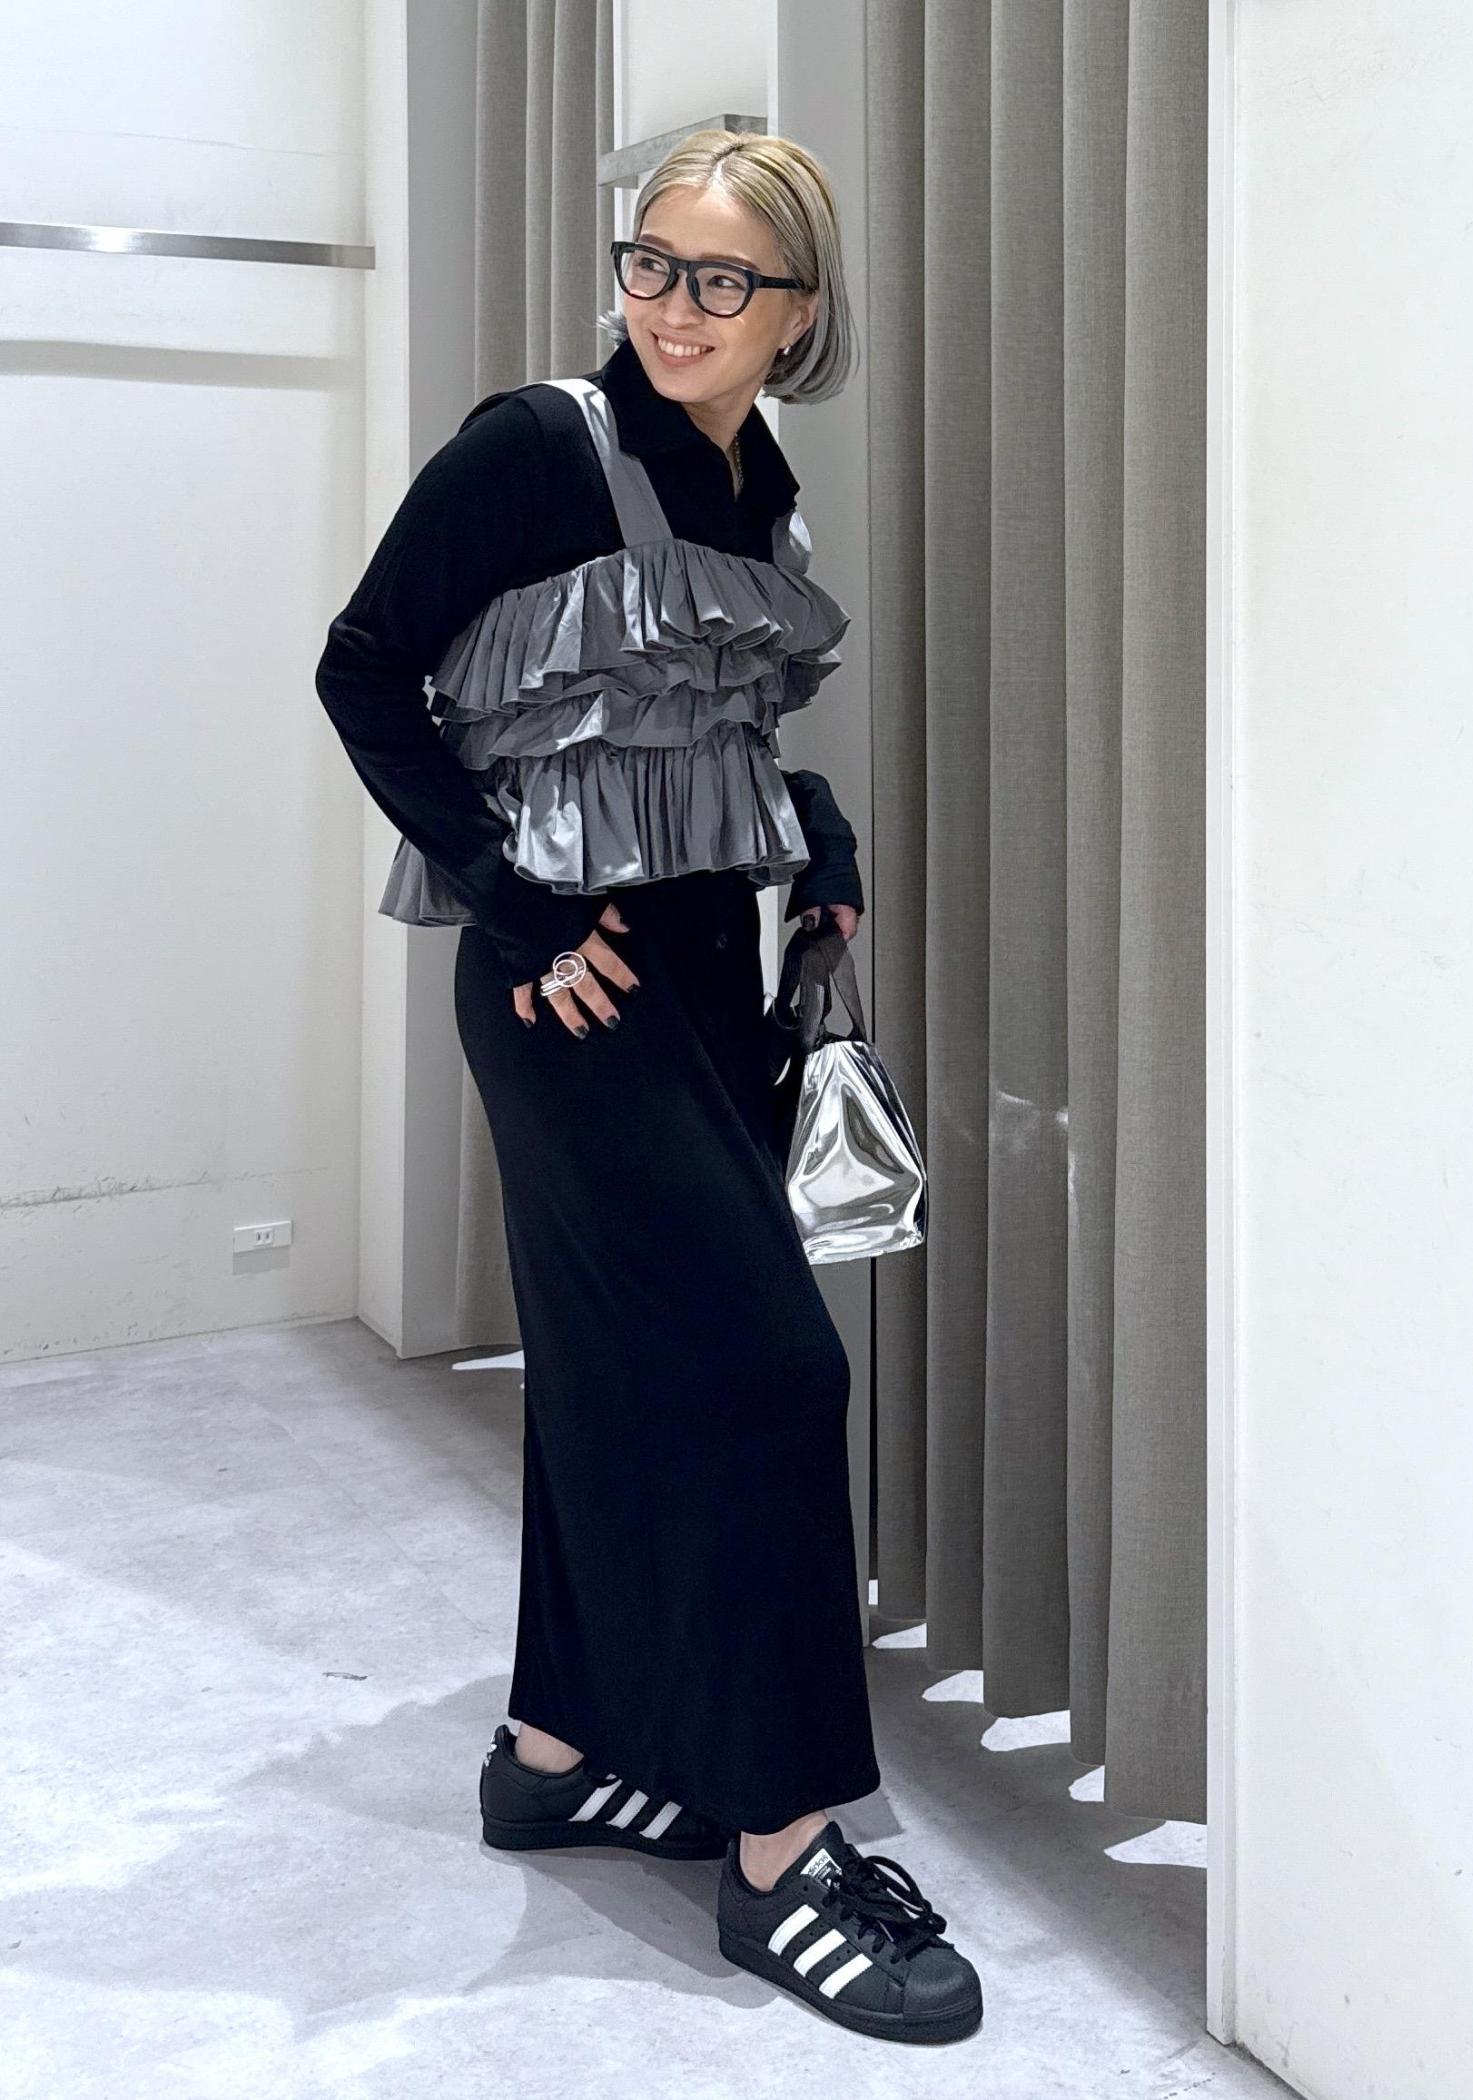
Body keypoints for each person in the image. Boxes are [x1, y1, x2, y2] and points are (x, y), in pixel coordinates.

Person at [315, 126, 981, 2045]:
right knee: (769, 1374)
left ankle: (554, 1754)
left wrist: (816, 832)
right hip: (570, 992)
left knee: (621, 1373)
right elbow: (366, 673)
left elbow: (703, 717)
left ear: (799, 313)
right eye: (653, 264)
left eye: (724, 280)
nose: (676, 307)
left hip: (708, 973)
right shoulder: (537, 446)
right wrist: (514, 896)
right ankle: (779, 1853)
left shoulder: (757, 482)